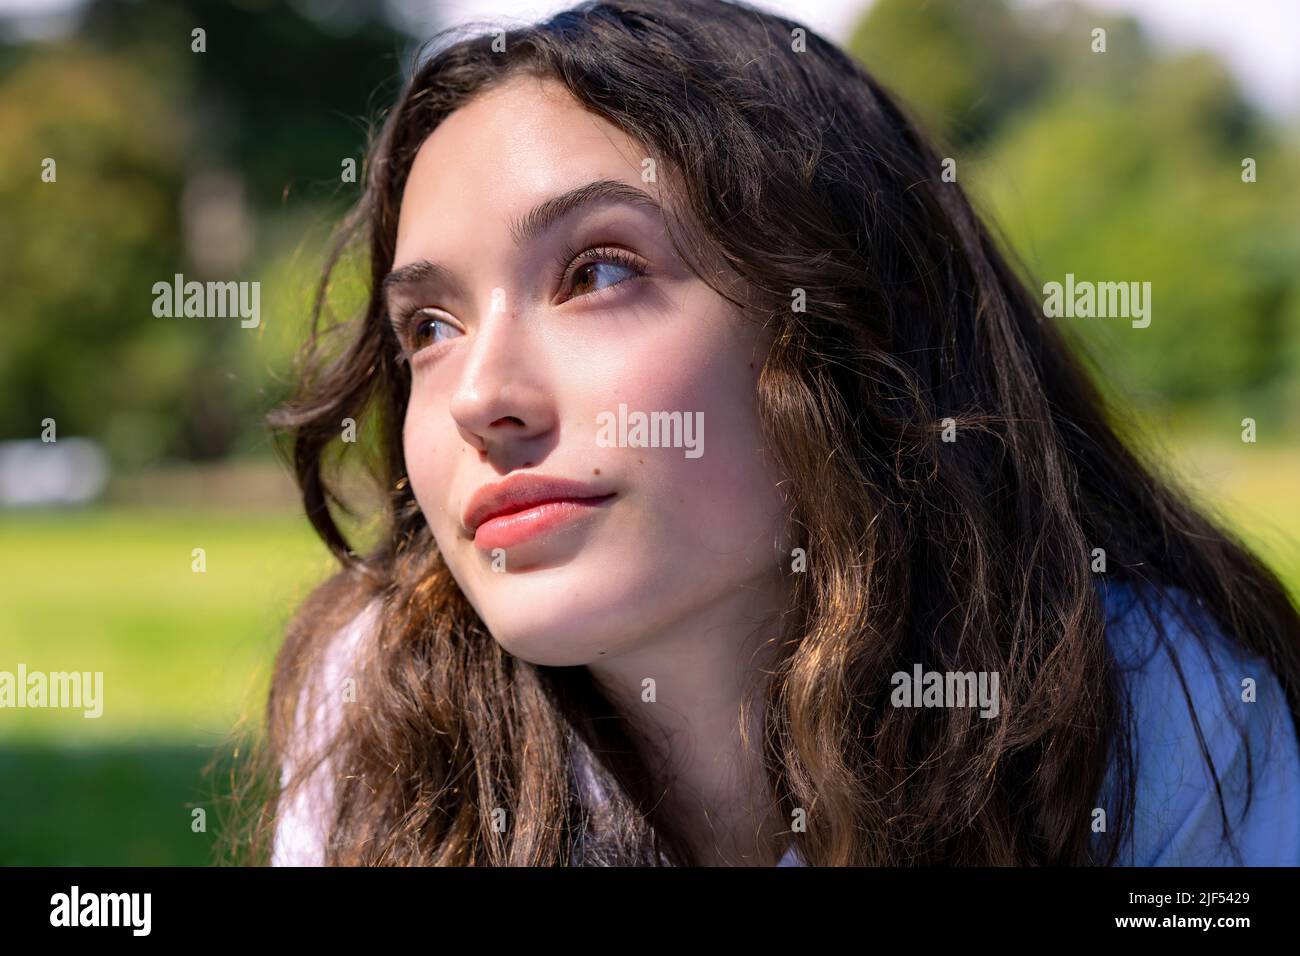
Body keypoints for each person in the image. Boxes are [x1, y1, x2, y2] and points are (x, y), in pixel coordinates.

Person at [246, 0, 1300, 866]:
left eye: (598, 271)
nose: (480, 396)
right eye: (428, 327)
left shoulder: (1154, 712)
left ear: (848, 330)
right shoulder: (376, 710)